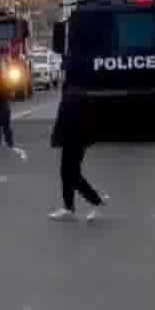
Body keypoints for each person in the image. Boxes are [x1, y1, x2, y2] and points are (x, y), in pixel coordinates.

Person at [50, 86, 107, 221]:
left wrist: (58, 137)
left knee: (72, 174)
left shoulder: (76, 94)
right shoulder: (71, 93)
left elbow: (68, 119)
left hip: (75, 140)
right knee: (65, 173)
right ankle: (69, 208)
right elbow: (62, 118)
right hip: (70, 139)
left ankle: (96, 201)